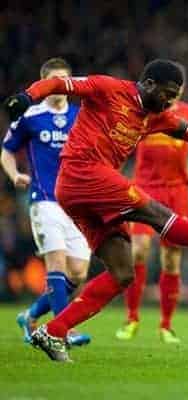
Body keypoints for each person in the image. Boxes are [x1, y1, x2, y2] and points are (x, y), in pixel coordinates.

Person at [3, 59, 188, 361]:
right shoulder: (108, 88)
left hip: (84, 193)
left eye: (175, 95)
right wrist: (27, 96)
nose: (170, 101)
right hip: (82, 174)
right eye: (167, 93)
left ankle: (54, 331)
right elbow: (60, 84)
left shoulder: (157, 117)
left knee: (122, 273)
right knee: (161, 216)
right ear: (149, 84)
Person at [115, 100, 188, 344]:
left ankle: (166, 325)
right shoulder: (143, 111)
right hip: (144, 189)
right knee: (138, 250)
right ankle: (132, 318)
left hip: (177, 192)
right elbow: (119, 148)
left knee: (171, 258)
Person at [1, 58, 91, 347]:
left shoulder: (81, 115)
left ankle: (30, 316)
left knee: (78, 272)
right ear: (42, 84)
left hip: (76, 203)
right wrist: (14, 174)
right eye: (53, 80)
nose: (59, 86)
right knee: (57, 263)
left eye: (64, 80)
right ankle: (60, 330)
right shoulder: (29, 116)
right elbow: (6, 151)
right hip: (45, 200)